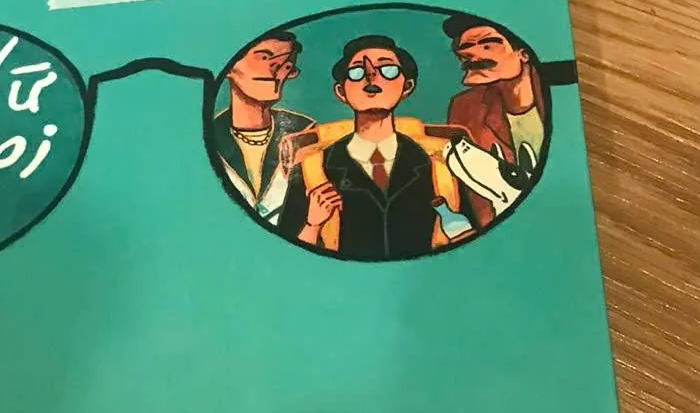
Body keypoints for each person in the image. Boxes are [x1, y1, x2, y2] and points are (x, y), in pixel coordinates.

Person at [278, 35, 442, 260]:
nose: (371, 76)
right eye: (357, 72)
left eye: (388, 70)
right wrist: (312, 224)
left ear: (407, 87)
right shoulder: (311, 170)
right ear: (341, 92)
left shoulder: (438, 165)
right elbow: (285, 256)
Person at [442, 14, 547, 228]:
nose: (469, 54)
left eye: (487, 45)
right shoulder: (466, 108)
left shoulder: (556, 95)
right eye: (465, 48)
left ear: (524, 54)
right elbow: (476, 195)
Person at [211, 32, 315, 226]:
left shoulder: (308, 136)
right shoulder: (207, 138)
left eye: (286, 64)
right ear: (229, 67)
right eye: (264, 57)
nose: (276, 70)